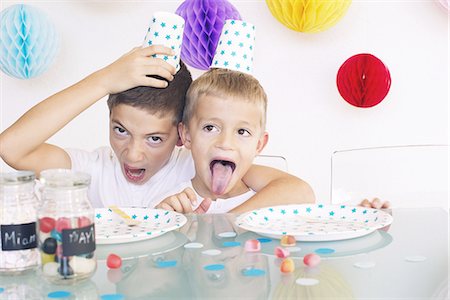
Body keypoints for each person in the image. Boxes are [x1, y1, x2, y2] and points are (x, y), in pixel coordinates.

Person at [0, 45, 315, 210]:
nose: (133, 153)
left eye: (154, 138)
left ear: (182, 135)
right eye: (120, 130)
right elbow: (11, 147)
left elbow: (297, 190)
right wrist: (103, 80)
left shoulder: (196, 165)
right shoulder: (93, 170)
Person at [155, 68, 283, 213]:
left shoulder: (269, 208)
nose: (225, 143)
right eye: (210, 128)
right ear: (187, 135)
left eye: (242, 132)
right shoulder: (170, 205)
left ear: (259, 145)